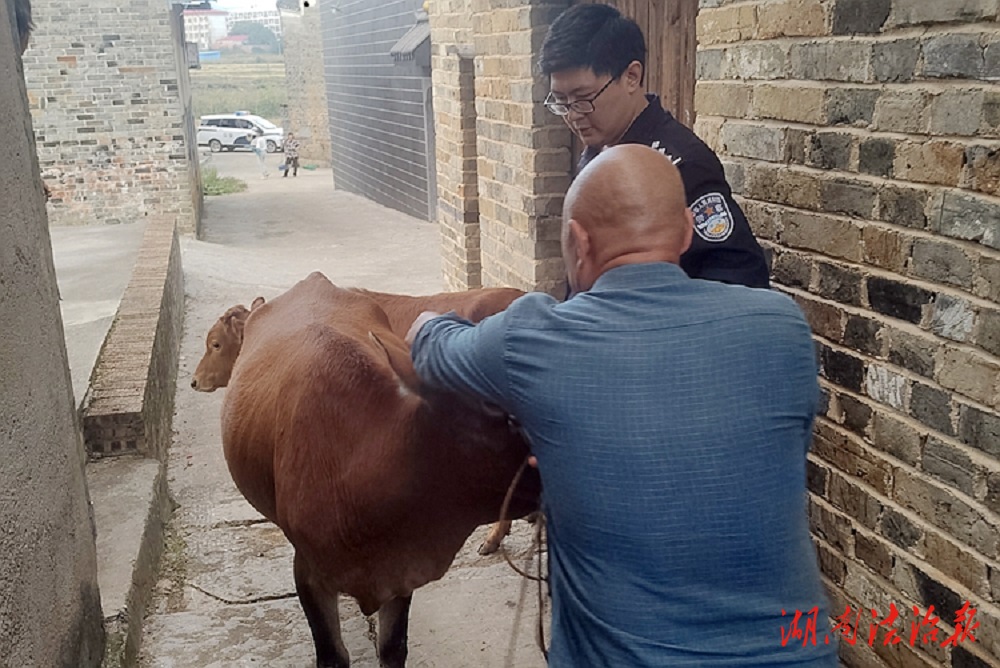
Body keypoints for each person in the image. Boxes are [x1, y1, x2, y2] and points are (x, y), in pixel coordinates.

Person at [407, 145, 837, 667]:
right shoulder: (783, 327)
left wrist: (434, 320)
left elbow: (430, 345)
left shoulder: (533, 340)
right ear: (685, 231)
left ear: (576, 242)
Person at [540, 4, 770, 289]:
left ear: (631, 76)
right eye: (562, 101)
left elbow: (739, 275)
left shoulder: (683, 164)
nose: (573, 114)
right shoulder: (597, 150)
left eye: (583, 97)